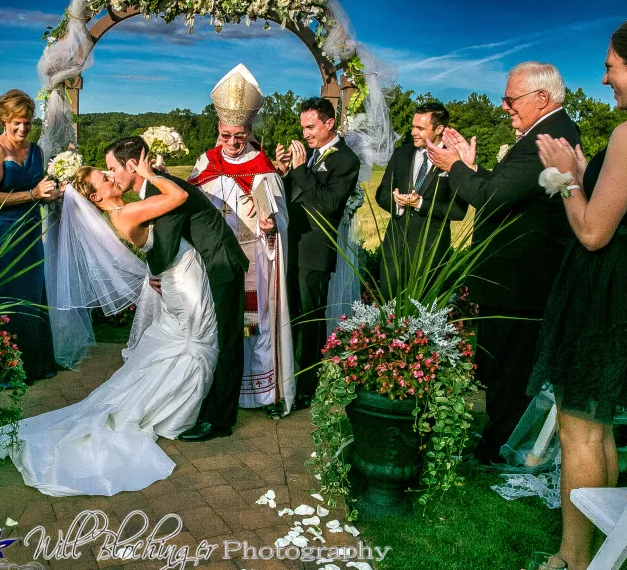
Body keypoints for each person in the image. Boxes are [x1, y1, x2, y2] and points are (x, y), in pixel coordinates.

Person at [528, 13, 627, 570]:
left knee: (581, 429)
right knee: (606, 426)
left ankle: (573, 559)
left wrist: (567, 175)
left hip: (608, 290)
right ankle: (608, 548)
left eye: (611, 67)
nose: (604, 79)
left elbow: (594, 231)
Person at [0, 155, 218, 496]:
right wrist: (150, 173)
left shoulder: (126, 208)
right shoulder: (125, 213)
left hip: (176, 277)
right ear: (96, 197)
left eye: (108, 172)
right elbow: (179, 198)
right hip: (183, 282)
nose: (111, 176)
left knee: (184, 340)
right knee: (194, 339)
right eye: (104, 178)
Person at [426, 62, 582, 463]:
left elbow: (494, 198)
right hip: (515, 277)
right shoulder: (542, 133)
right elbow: (510, 190)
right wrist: (472, 166)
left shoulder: (548, 135)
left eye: (511, 99)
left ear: (541, 98)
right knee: (503, 364)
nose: (504, 107)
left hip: (521, 279)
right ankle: (501, 437)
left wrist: (455, 167)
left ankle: (501, 446)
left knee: (510, 367)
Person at [107, 136, 249, 441]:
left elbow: (166, 244)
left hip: (221, 263)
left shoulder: (159, 187)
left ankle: (219, 421)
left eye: (113, 167)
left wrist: (154, 272)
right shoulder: (155, 188)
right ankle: (209, 408)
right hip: (207, 266)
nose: (112, 175)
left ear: (132, 165)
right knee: (218, 337)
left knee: (226, 339)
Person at [187, 64, 295, 419]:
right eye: (227, 135)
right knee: (217, 324)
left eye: (240, 136)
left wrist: (269, 227)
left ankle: (256, 391)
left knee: (250, 324)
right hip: (212, 260)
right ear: (219, 128)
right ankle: (217, 387)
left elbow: (280, 222)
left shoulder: (262, 167)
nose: (233, 143)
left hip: (252, 263)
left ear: (250, 130)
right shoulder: (206, 162)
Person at [277, 97, 361, 410]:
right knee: (293, 315)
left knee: (310, 321)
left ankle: (307, 386)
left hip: (315, 249)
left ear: (329, 123)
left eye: (311, 127)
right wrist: (286, 172)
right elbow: (296, 194)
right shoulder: (310, 154)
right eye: (304, 127)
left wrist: (300, 170)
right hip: (293, 244)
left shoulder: (346, 160)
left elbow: (327, 203)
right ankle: (286, 377)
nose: (306, 133)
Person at [0, 89, 60, 383]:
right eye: (17, 123)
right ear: (4, 120)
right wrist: (32, 194)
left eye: (27, 122)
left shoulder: (36, 151)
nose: (23, 129)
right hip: (0, 235)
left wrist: (51, 195)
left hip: (28, 233)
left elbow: (41, 191)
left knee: (30, 295)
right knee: (4, 296)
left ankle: (32, 364)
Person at [375, 102, 467, 299]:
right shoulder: (401, 154)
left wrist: (420, 204)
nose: (413, 132)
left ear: (439, 129)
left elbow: (458, 211)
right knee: (387, 316)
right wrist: (398, 203)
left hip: (430, 255)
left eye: (420, 128)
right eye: (413, 126)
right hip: (394, 249)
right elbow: (381, 194)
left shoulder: (456, 160)